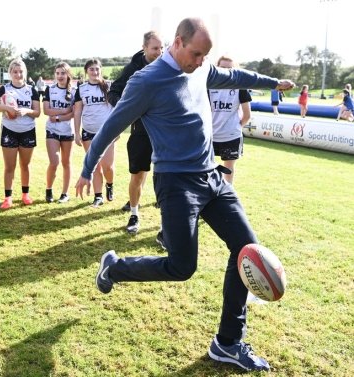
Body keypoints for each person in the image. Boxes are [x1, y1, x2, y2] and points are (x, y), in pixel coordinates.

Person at [76, 18, 294, 372]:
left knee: (245, 250)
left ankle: (227, 343)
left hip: (212, 177)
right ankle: (115, 267)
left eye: (204, 56)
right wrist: (87, 170)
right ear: (177, 43)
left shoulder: (200, 68)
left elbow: (237, 77)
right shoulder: (145, 81)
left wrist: (272, 82)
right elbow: (112, 125)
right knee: (181, 267)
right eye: (195, 54)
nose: (199, 62)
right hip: (176, 183)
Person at [108, 31, 163, 234]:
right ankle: (134, 213)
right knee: (138, 175)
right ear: (145, 48)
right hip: (140, 132)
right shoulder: (132, 69)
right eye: (155, 48)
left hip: (165, 133)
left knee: (165, 175)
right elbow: (113, 92)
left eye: (162, 48)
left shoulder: (170, 66)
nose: (159, 52)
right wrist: (127, 109)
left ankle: (165, 224)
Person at [0, 59, 40, 209]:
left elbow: (37, 112)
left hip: (28, 131)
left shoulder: (32, 90)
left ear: (25, 72)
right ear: (10, 73)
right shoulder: (4, 89)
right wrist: (6, 108)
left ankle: (25, 194)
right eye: (15, 72)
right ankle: (8, 198)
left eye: (21, 71)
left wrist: (27, 111)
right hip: (9, 131)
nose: (18, 74)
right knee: (9, 166)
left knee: (25, 165)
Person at [73, 59, 114, 207]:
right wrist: (76, 133)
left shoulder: (109, 86)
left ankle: (109, 184)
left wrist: (118, 129)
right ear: (86, 71)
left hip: (107, 132)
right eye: (91, 69)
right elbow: (77, 111)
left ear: (101, 70)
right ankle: (98, 196)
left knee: (107, 166)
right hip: (88, 132)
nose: (95, 72)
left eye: (97, 69)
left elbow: (118, 108)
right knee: (94, 166)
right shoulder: (81, 89)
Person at [209, 56, 252, 185]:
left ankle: (226, 197)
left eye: (229, 68)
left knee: (228, 169)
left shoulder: (240, 87)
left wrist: (236, 127)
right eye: (223, 68)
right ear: (217, 68)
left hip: (231, 137)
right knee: (205, 169)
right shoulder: (208, 85)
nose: (226, 71)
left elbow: (247, 115)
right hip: (209, 137)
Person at [43, 62, 76, 204]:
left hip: (68, 131)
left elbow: (73, 114)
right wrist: (63, 111)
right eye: (57, 73)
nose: (60, 76)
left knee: (66, 162)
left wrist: (57, 117)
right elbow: (46, 110)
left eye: (62, 73)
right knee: (54, 162)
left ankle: (65, 193)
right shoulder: (49, 90)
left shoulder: (74, 91)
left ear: (68, 75)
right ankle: (49, 189)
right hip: (52, 130)